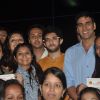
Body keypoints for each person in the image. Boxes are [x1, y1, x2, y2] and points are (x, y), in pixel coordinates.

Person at [64, 11, 96, 100]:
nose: (84, 28)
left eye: (87, 23)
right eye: (80, 25)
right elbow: (69, 82)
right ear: (77, 29)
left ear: (94, 26)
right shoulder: (70, 52)